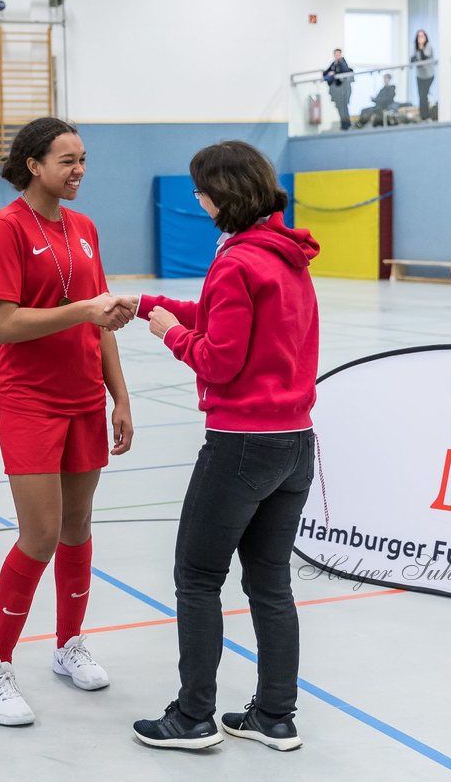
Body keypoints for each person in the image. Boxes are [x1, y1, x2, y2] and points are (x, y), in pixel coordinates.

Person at [131, 140, 319, 751]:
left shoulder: (237, 261)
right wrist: (145, 305)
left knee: (197, 577)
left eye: (201, 191)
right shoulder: (283, 256)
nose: (198, 201)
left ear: (221, 194)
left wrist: (170, 335)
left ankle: (192, 717)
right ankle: (274, 715)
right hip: (294, 444)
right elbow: (219, 313)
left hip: (241, 445)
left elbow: (219, 358)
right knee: (270, 584)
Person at [0, 117, 135, 726]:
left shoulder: (85, 228)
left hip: (83, 397)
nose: (79, 171)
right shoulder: (6, 228)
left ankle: (68, 646)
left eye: (83, 159)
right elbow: (6, 324)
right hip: (29, 399)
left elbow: (103, 319)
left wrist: (119, 397)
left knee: (77, 526)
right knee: (38, 534)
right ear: (33, 165)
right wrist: (81, 310)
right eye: (67, 161)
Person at [323, 49, 353, 131]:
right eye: (335, 54)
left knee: (344, 107)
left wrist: (334, 73)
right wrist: (330, 73)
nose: (337, 56)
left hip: (343, 90)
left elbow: (345, 70)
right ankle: (343, 124)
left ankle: (347, 124)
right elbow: (325, 72)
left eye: (338, 54)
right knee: (339, 107)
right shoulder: (334, 63)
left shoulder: (342, 62)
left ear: (340, 54)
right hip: (336, 91)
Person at [411, 30, 435, 120]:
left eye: (422, 36)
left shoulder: (428, 46)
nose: (420, 38)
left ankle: (426, 115)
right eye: (419, 36)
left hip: (429, 75)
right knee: (421, 95)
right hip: (420, 75)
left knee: (424, 94)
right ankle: (423, 115)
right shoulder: (415, 47)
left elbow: (425, 57)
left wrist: (421, 48)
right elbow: (413, 59)